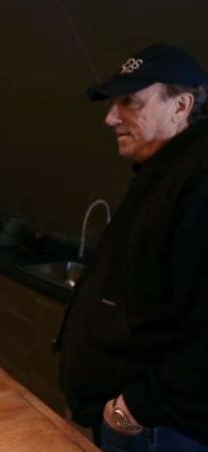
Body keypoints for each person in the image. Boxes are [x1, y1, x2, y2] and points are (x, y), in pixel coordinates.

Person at [59, 43, 208, 451]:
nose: (110, 118)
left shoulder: (199, 180)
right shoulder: (161, 171)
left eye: (130, 102)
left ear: (181, 106)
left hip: (159, 429)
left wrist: (133, 409)